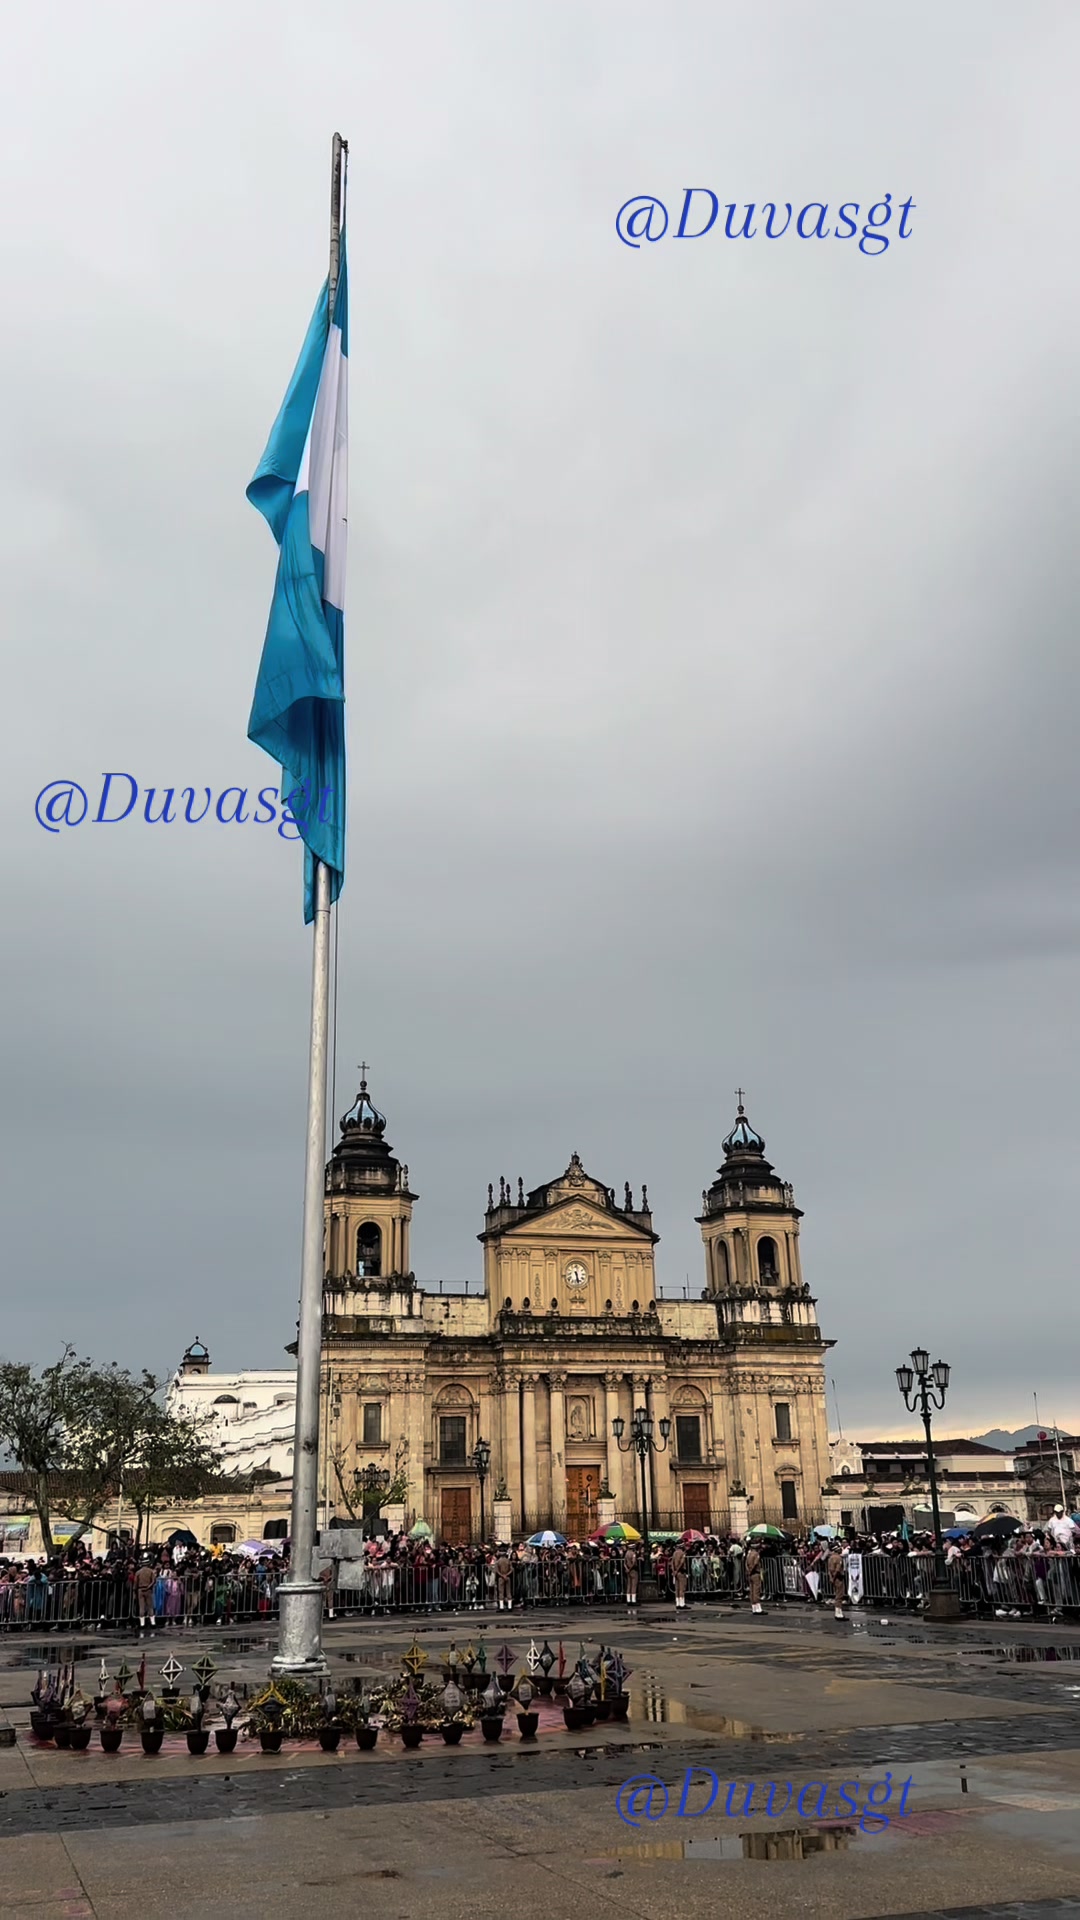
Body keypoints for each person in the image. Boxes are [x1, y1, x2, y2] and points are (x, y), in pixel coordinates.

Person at [134, 1557, 156, 1635]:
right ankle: (153, 1623)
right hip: (148, 1589)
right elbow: (153, 1581)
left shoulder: (138, 1572)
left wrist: (135, 1590)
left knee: (141, 1607)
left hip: (140, 1589)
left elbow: (136, 1583)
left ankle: (142, 1624)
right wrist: (149, 1586)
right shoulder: (151, 1571)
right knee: (150, 1606)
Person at [826, 1543, 848, 1621]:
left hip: (833, 1578)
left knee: (837, 1595)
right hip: (838, 1578)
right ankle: (838, 1614)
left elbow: (829, 1570)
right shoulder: (838, 1558)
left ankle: (838, 1612)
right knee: (839, 1596)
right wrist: (834, 1577)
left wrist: (831, 1578)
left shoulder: (830, 1558)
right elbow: (838, 1569)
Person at [745, 1543, 763, 1614]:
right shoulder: (756, 1554)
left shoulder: (749, 1554)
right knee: (756, 1590)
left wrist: (748, 1572)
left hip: (750, 1575)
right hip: (755, 1573)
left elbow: (746, 1564)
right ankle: (758, 1609)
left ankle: (753, 1608)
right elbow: (755, 1563)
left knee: (751, 1591)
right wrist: (751, 1570)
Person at [671, 1541, 688, 1610]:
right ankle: (682, 1604)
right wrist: (677, 1570)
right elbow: (681, 1562)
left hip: (675, 1572)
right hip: (681, 1572)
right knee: (682, 1588)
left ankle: (677, 1603)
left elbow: (672, 1563)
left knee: (677, 1588)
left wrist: (674, 1571)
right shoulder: (682, 1553)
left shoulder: (674, 1553)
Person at [624, 1543, 639, 1608]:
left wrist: (627, 1569)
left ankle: (628, 1599)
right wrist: (630, 1569)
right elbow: (634, 1562)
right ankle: (633, 1600)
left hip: (628, 1570)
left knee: (629, 1585)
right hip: (633, 1570)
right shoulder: (633, 1554)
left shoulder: (626, 1553)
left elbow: (624, 1563)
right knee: (634, 1585)